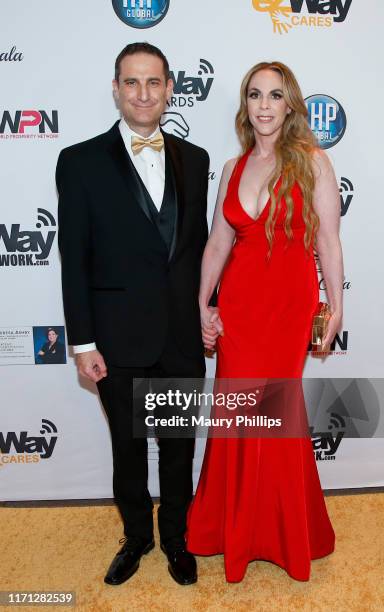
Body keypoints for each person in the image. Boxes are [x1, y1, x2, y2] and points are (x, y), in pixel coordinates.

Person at [56, 42, 210, 586]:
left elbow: (199, 250)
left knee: (176, 452)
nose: (143, 93)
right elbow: (72, 259)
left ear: (171, 88)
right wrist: (82, 343)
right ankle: (137, 538)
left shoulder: (196, 159)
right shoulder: (78, 161)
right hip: (115, 340)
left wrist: (208, 310)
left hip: (179, 337)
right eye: (131, 83)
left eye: (153, 82)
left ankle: (175, 538)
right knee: (127, 453)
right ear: (116, 89)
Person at [186, 61, 343, 582]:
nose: (265, 106)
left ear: (290, 104)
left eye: (276, 96)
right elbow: (216, 244)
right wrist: (203, 304)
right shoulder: (232, 170)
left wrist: (335, 305)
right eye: (256, 95)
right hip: (240, 306)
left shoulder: (313, 162)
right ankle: (235, 529)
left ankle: (281, 531)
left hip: (287, 307)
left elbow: (327, 241)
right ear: (245, 104)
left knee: (275, 412)